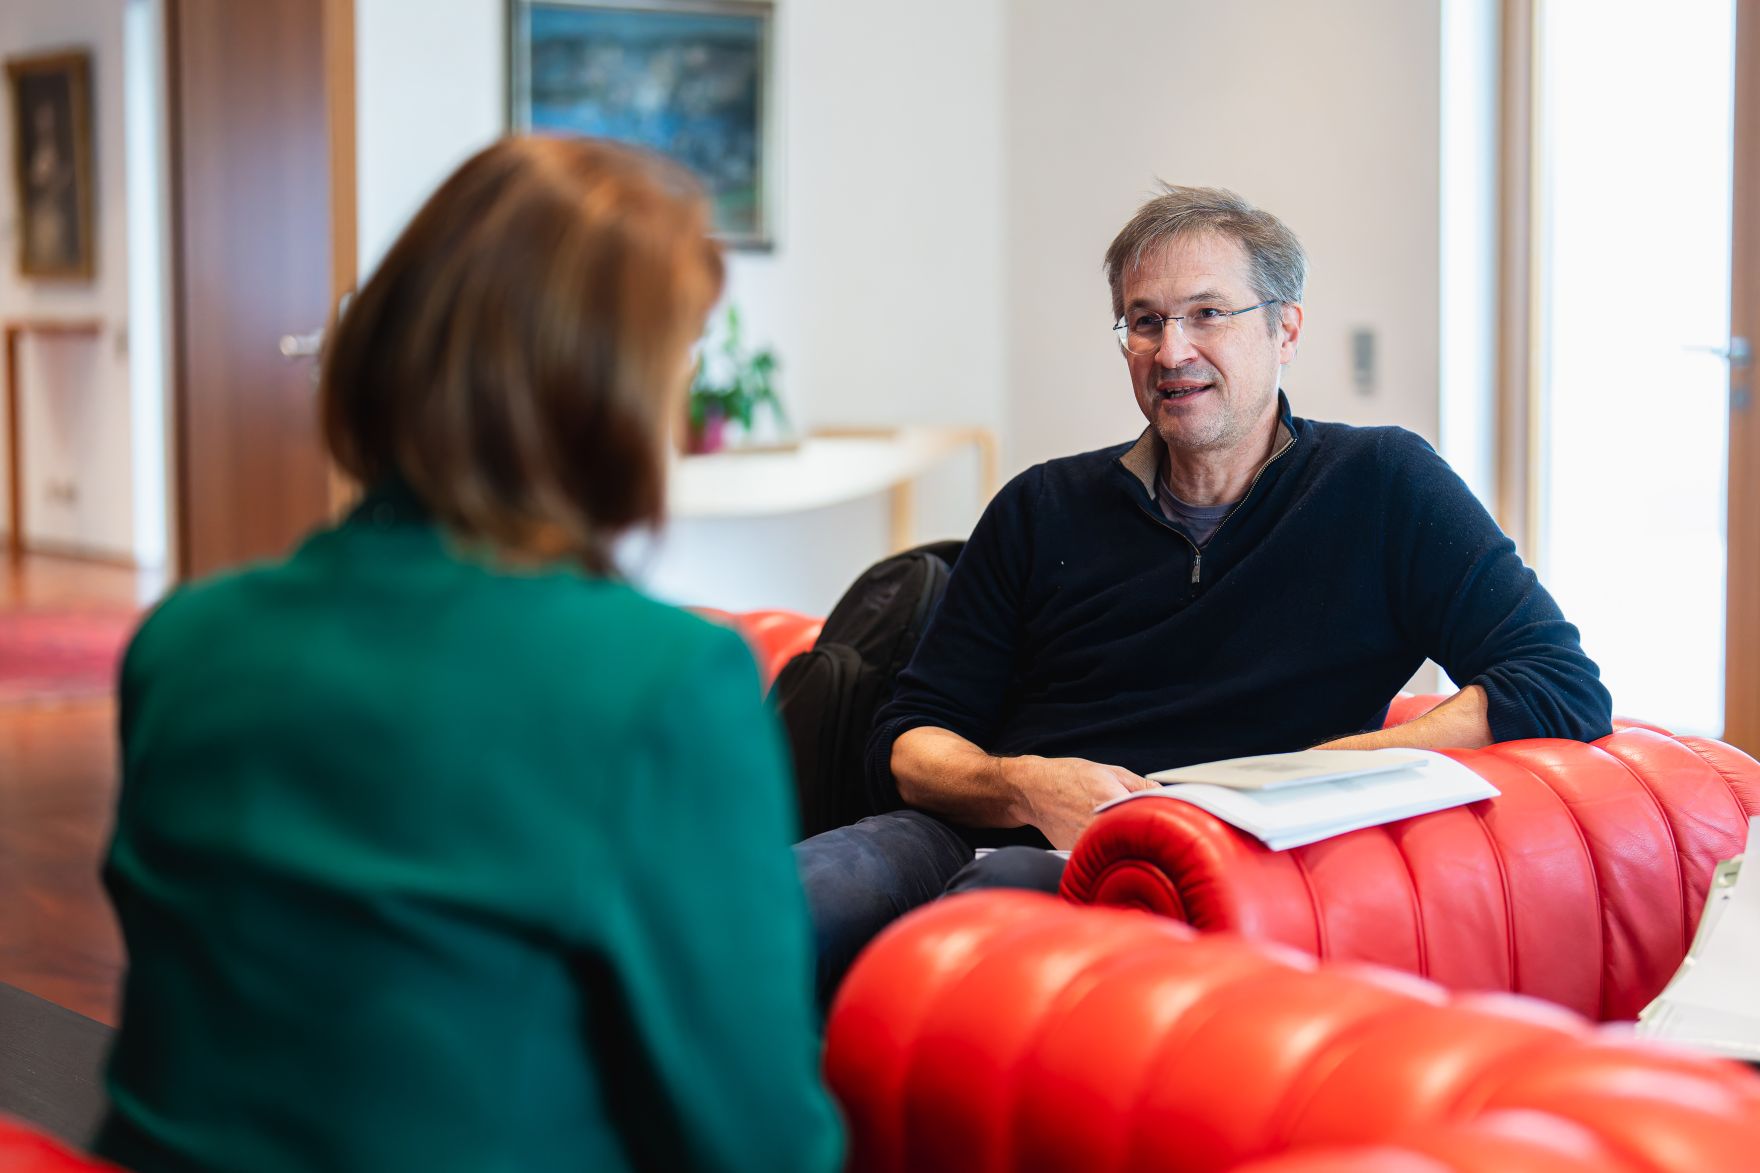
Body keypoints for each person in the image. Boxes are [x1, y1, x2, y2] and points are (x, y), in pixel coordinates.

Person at [96, 136, 843, 1173]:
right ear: (608, 395)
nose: (677, 420)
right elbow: (758, 1142)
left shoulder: (183, 642)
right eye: (675, 365)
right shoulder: (665, 689)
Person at [795, 184, 1611, 999]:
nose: (1172, 350)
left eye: (1207, 314)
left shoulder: (1384, 486)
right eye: (1144, 321)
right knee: (768, 907)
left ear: (1285, 327)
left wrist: (1317, 771)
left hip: (1196, 871)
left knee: (980, 925)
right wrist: (1024, 784)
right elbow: (909, 743)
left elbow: (1559, 685)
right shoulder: (1041, 505)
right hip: (968, 832)